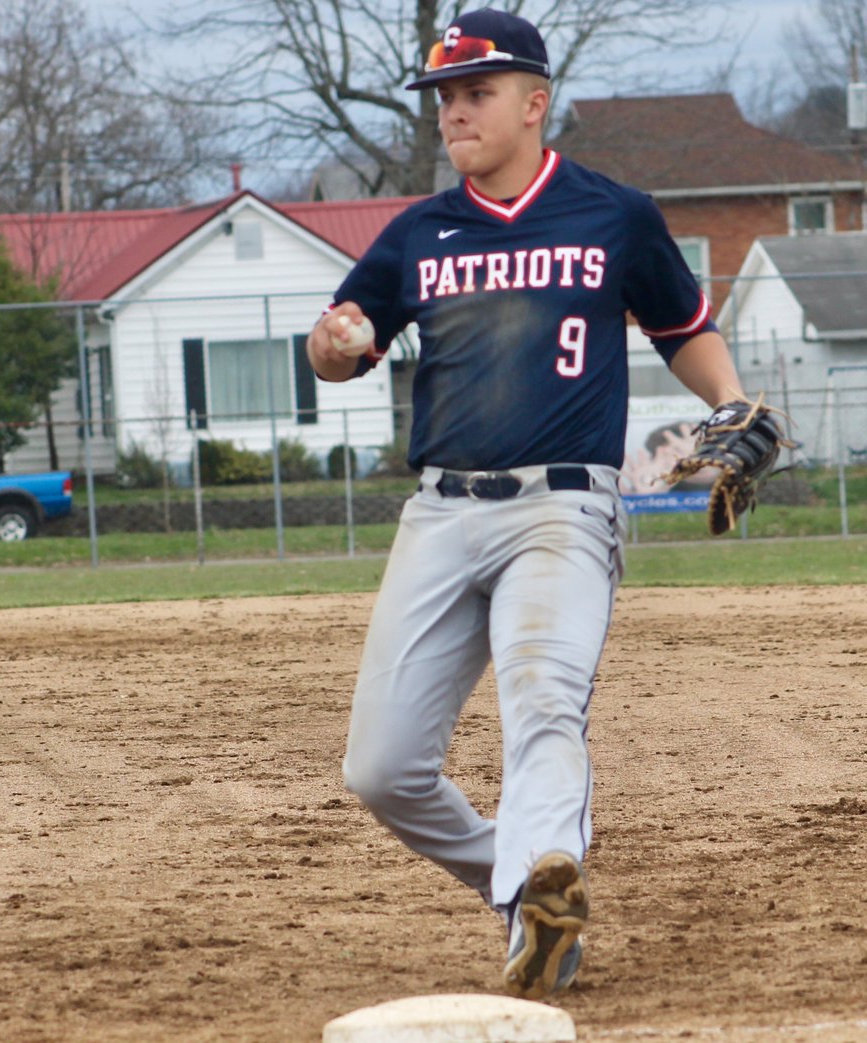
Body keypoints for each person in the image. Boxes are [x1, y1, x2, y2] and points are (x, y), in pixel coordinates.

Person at [306, 8, 748, 999]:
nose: (455, 112)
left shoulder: (612, 213)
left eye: (478, 93)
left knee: (543, 696)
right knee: (382, 768)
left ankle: (551, 883)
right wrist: (331, 346)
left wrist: (730, 401)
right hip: (441, 515)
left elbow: (684, 325)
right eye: (446, 98)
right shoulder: (421, 232)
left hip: (565, 508)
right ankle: (524, 885)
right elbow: (345, 336)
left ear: (535, 103)